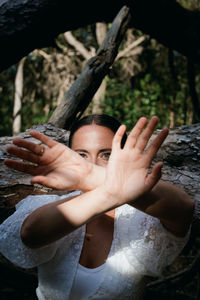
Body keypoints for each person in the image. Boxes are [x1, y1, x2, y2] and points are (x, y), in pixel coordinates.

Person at [0, 115, 194, 300]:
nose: (92, 163)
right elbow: (30, 234)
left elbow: (183, 209)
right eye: (81, 155)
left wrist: (93, 176)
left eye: (107, 154)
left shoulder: (140, 219)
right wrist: (104, 185)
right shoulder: (48, 205)